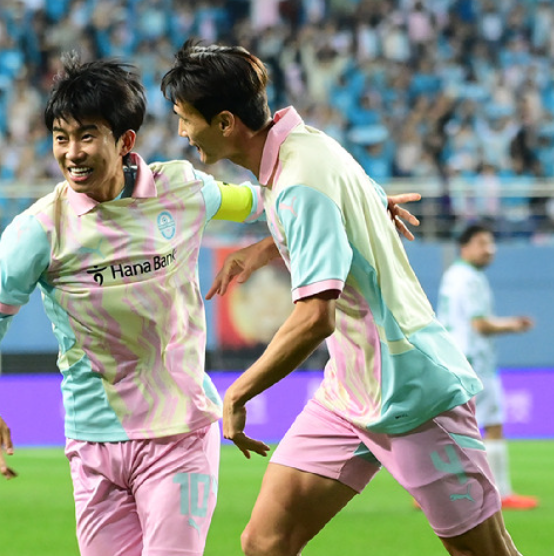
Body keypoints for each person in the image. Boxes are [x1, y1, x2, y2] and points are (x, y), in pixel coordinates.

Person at [161, 40, 523, 556]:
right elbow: (342, 207)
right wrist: (266, 248)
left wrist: (238, 393)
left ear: (224, 123)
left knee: (485, 553)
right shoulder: (305, 145)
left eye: (185, 118)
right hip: (350, 391)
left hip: (412, 390)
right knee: (265, 543)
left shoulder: (298, 182)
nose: (181, 132)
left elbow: (315, 319)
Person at [0, 52, 268, 556]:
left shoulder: (181, 189)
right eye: (61, 138)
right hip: (92, 448)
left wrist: (354, 201)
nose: (72, 153)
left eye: (87, 136)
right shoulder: (37, 231)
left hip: (179, 433)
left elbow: (266, 201)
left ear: (125, 141)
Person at [437, 223, 537, 510]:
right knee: (493, 425)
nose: (489, 249)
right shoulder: (470, 279)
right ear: (464, 246)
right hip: (474, 363)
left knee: (449, 427)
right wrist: (514, 325)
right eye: (482, 243)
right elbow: (480, 324)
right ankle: (502, 492)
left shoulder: (452, 276)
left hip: (451, 359)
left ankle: (437, 491)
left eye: (491, 243)